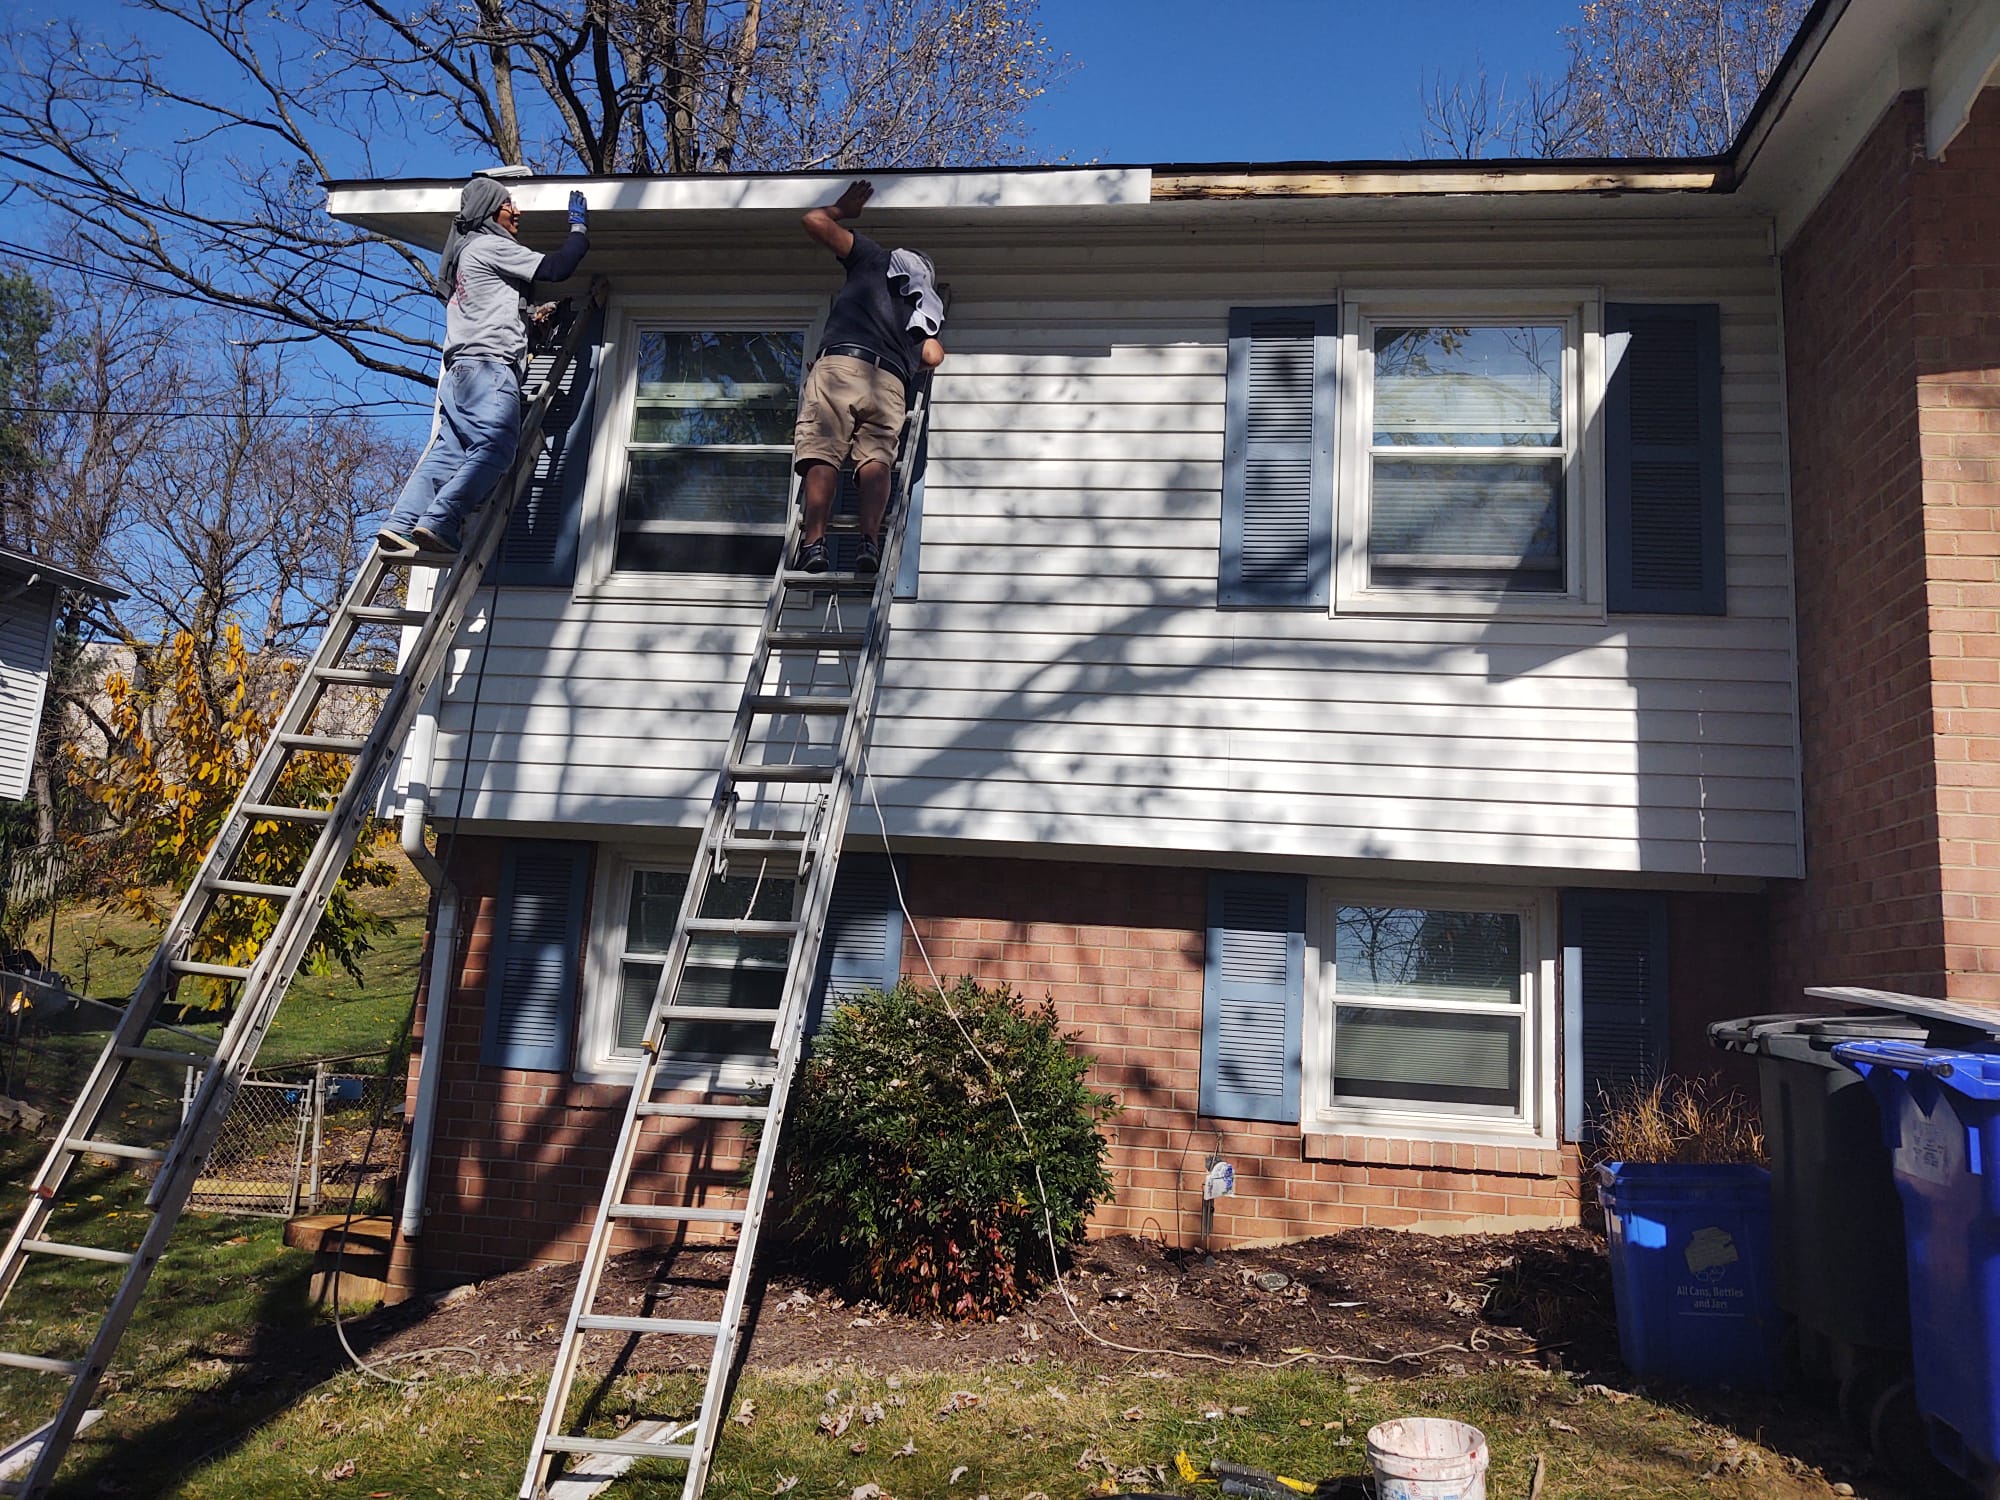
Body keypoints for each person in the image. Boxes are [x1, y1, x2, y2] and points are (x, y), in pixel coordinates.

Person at [379, 176, 592, 556]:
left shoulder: (464, 257)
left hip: (459, 375)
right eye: (510, 205)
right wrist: (578, 230)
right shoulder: (491, 245)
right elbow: (556, 268)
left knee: (449, 452)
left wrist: (530, 321)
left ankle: (401, 524)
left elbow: (492, 311)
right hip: (488, 370)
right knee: (498, 447)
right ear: (491, 211)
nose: (517, 212)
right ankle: (441, 520)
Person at [791, 179, 947, 575]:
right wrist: (907, 351)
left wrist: (842, 210)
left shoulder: (874, 259)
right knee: (876, 459)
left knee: (823, 451)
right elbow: (934, 355)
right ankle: (870, 542)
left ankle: (814, 544)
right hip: (889, 384)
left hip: (841, 365)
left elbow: (813, 221)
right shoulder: (921, 310)